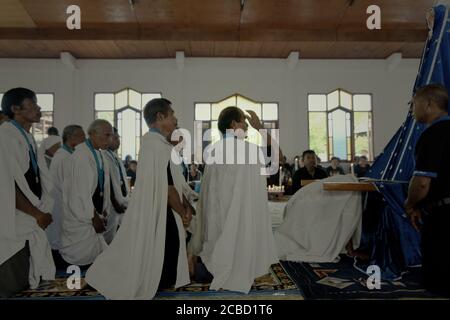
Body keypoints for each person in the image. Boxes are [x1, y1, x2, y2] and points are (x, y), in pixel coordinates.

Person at [86, 98, 192, 299]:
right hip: (163, 207)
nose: (175, 119)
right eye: (172, 114)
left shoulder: (155, 143)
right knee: (164, 245)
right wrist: (182, 212)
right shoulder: (157, 146)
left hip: (160, 207)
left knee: (161, 246)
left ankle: (160, 280)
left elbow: (173, 182)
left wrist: (184, 205)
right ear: (160, 117)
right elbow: (168, 188)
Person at [189, 107, 278, 294]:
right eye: (243, 122)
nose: (246, 126)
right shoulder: (249, 150)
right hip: (240, 217)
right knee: (240, 250)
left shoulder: (212, 150)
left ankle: (209, 266)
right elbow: (279, 157)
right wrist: (260, 127)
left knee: (216, 248)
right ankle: (231, 266)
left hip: (218, 218)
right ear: (233, 124)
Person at [0, 88, 55, 294]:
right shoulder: (5, 136)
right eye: (32, 104)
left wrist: (41, 209)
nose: (38, 108)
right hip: (14, 217)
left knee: (25, 279)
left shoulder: (26, 136)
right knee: (11, 282)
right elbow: (5, 186)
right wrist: (37, 213)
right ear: (15, 108)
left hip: (30, 214)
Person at [404, 84, 450, 296]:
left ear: (429, 104)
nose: (412, 110)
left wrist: (411, 204)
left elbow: (422, 183)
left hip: (443, 215)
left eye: (414, 104)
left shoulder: (434, 133)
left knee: (438, 280)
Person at [59, 119, 113, 268]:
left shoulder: (99, 154)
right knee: (81, 259)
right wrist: (93, 216)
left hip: (96, 213)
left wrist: (104, 211)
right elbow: (80, 193)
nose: (109, 139)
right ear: (93, 134)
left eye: (111, 136)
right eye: (106, 135)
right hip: (83, 218)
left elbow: (103, 186)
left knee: (97, 258)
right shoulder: (81, 155)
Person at [275, 174, 362, 263]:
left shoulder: (320, 173)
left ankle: (311, 243)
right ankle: (313, 244)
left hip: (304, 199)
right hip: (310, 200)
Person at [46, 125, 85, 265]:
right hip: (61, 204)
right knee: (59, 237)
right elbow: (69, 188)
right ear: (70, 138)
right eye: (81, 136)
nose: (84, 139)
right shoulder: (63, 157)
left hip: (65, 203)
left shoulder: (70, 155)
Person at [104, 127, 131, 243]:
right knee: (108, 239)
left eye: (118, 138)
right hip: (112, 205)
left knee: (119, 237)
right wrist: (115, 203)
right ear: (108, 138)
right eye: (115, 138)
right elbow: (106, 182)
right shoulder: (103, 156)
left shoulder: (115, 157)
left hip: (122, 203)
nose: (118, 141)